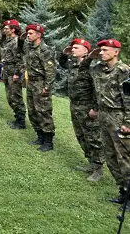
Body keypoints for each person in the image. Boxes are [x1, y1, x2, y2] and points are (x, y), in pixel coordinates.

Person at [82, 39, 130, 203]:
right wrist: (90, 57)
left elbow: (129, 100)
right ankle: (123, 191)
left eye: (105, 50)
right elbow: (82, 71)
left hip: (119, 117)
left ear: (116, 52)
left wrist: (128, 123)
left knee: (124, 158)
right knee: (110, 156)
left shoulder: (124, 71)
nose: (101, 52)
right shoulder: (98, 69)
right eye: (100, 50)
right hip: (104, 116)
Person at [59, 38, 103, 181]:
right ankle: (91, 163)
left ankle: (98, 169)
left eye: (76, 47)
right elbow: (62, 63)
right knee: (81, 135)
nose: (73, 49)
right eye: (72, 47)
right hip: (75, 104)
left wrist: (95, 108)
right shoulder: (73, 64)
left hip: (87, 106)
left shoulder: (93, 67)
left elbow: (98, 89)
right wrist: (64, 54)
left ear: (86, 50)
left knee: (93, 137)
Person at [23, 24, 56, 152]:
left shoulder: (45, 50)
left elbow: (50, 71)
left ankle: (48, 141)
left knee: (43, 111)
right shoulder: (30, 47)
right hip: (31, 83)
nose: (28, 35)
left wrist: (47, 87)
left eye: (31, 33)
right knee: (32, 111)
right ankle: (40, 136)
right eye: (27, 33)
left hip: (41, 83)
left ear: (38, 34)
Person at [1, 20, 26, 129]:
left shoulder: (16, 42)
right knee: (10, 96)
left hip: (14, 72)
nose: (4, 30)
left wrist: (17, 73)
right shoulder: (8, 41)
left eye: (6, 28)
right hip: (7, 70)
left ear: (13, 29)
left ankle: (21, 122)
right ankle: (17, 118)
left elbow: (21, 60)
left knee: (15, 96)